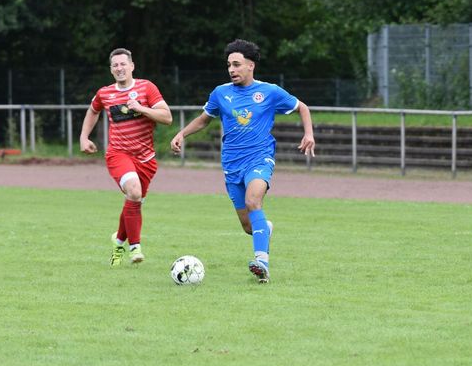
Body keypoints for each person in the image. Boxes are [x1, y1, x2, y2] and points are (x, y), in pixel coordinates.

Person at [170, 39, 316, 283]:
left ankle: (262, 263)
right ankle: (264, 229)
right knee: (248, 226)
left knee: (253, 200)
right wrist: (181, 134)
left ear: (251, 65)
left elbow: (302, 107)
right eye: (229, 65)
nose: (232, 69)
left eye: (236, 64)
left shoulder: (269, 92)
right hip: (231, 164)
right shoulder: (221, 93)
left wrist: (308, 134)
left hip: (260, 158)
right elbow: (204, 119)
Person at [80, 48, 172, 266]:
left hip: (146, 159)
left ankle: (119, 240)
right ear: (111, 70)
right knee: (134, 191)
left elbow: (167, 117)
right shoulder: (105, 93)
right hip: (118, 154)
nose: (119, 68)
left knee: (134, 200)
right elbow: (93, 110)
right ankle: (135, 247)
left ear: (132, 66)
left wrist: (142, 108)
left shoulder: (147, 87)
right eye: (115, 65)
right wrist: (84, 137)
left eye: (123, 64)